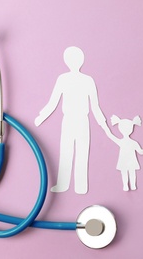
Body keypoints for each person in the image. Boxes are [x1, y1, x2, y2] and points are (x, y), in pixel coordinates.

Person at [35, 46, 110, 194]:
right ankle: (64, 185)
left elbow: (95, 106)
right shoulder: (64, 79)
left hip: (82, 120)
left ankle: (81, 186)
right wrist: (41, 117)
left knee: (80, 151)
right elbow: (53, 102)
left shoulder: (87, 80)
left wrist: (104, 124)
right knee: (67, 151)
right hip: (70, 120)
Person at [106, 115, 143, 191]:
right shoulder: (132, 142)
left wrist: (105, 128)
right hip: (127, 160)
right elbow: (140, 151)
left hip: (126, 160)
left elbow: (110, 135)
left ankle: (128, 185)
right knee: (130, 172)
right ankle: (130, 185)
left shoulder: (123, 142)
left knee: (126, 172)